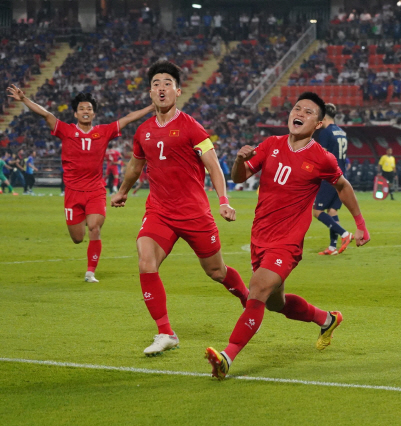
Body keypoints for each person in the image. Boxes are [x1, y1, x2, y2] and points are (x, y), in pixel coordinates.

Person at [204, 92, 370, 380]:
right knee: (274, 303)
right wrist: (239, 160)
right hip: (260, 239)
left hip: (287, 243)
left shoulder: (322, 158)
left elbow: (343, 186)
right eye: (297, 109)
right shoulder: (271, 145)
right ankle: (327, 319)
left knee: (256, 290)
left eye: (308, 112)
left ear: (318, 124)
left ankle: (227, 358)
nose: (300, 114)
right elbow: (240, 177)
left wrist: (360, 223)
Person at [110, 60, 249, 357]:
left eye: (167, 83)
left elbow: (213, 167)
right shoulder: (144, 131)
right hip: (159, 211)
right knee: (146, 261)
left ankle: (248, 300)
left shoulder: (191, 127)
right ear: (150, 92)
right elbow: (136, 165)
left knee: (216, 271)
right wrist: (122, 191)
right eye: (156, 83)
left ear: (178, 90)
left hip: (194, 213)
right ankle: (165, 332)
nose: (161, 88)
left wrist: (223, 201)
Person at [6, 84, 153, 282]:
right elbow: (47, 115)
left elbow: (127, 119)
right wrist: (24, 100)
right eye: (82, 108)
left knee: (95, 227)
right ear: (75, 113)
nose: (86, 111)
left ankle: (90, 272)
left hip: (95, 190)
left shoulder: (103, 131)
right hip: (73, 193)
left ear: (94, 114)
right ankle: (82, 217)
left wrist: (152, 108)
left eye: (89, 109)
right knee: (77, 238)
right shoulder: (66, 131)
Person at [312, 103, 354, 256]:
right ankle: (332, 247)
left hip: (330, 177)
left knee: (317, 211)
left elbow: (322, 157)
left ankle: (344, 234)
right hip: (342, 176)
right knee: (332, 211)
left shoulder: (325, 132)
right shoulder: (341, 132)